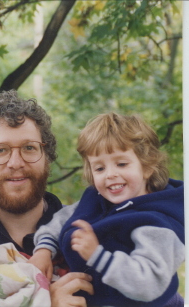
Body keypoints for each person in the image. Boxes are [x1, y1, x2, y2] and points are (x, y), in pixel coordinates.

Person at [31, 112, 185, 306]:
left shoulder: (158, 223)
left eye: (121, 164)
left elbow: (148, 283)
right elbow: (61, 220)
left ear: (147, 166)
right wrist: (44, 250)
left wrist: (98, 255)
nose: (110, 174)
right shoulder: (98, 199)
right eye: (99, 168)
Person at [0, 89, 94, 306]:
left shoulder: (92, 229)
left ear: (47, 158)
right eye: (0, 150)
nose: (16, 162)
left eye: (29, 148)